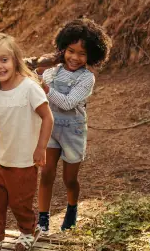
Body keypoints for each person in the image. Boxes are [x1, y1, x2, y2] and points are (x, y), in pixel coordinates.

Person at [0, 33, 54, 251]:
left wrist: (41, 148)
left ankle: (29, 230)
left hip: (24, 159)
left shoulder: (29, 88)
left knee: (20, 202)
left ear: (15, 59)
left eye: (4, 60)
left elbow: (48, 118)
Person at [38, 18, 108, 233]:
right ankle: (43, 219)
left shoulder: (87, 79)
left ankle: (71, 209)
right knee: (46, 173)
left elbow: (68, 103)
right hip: (50, 128)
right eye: (71, 50)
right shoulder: (51, 72)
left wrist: (45, 88)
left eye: (82, 53)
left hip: (73, 131)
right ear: (63, 48)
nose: (75, 57)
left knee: (70, 179)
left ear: (91, 56)